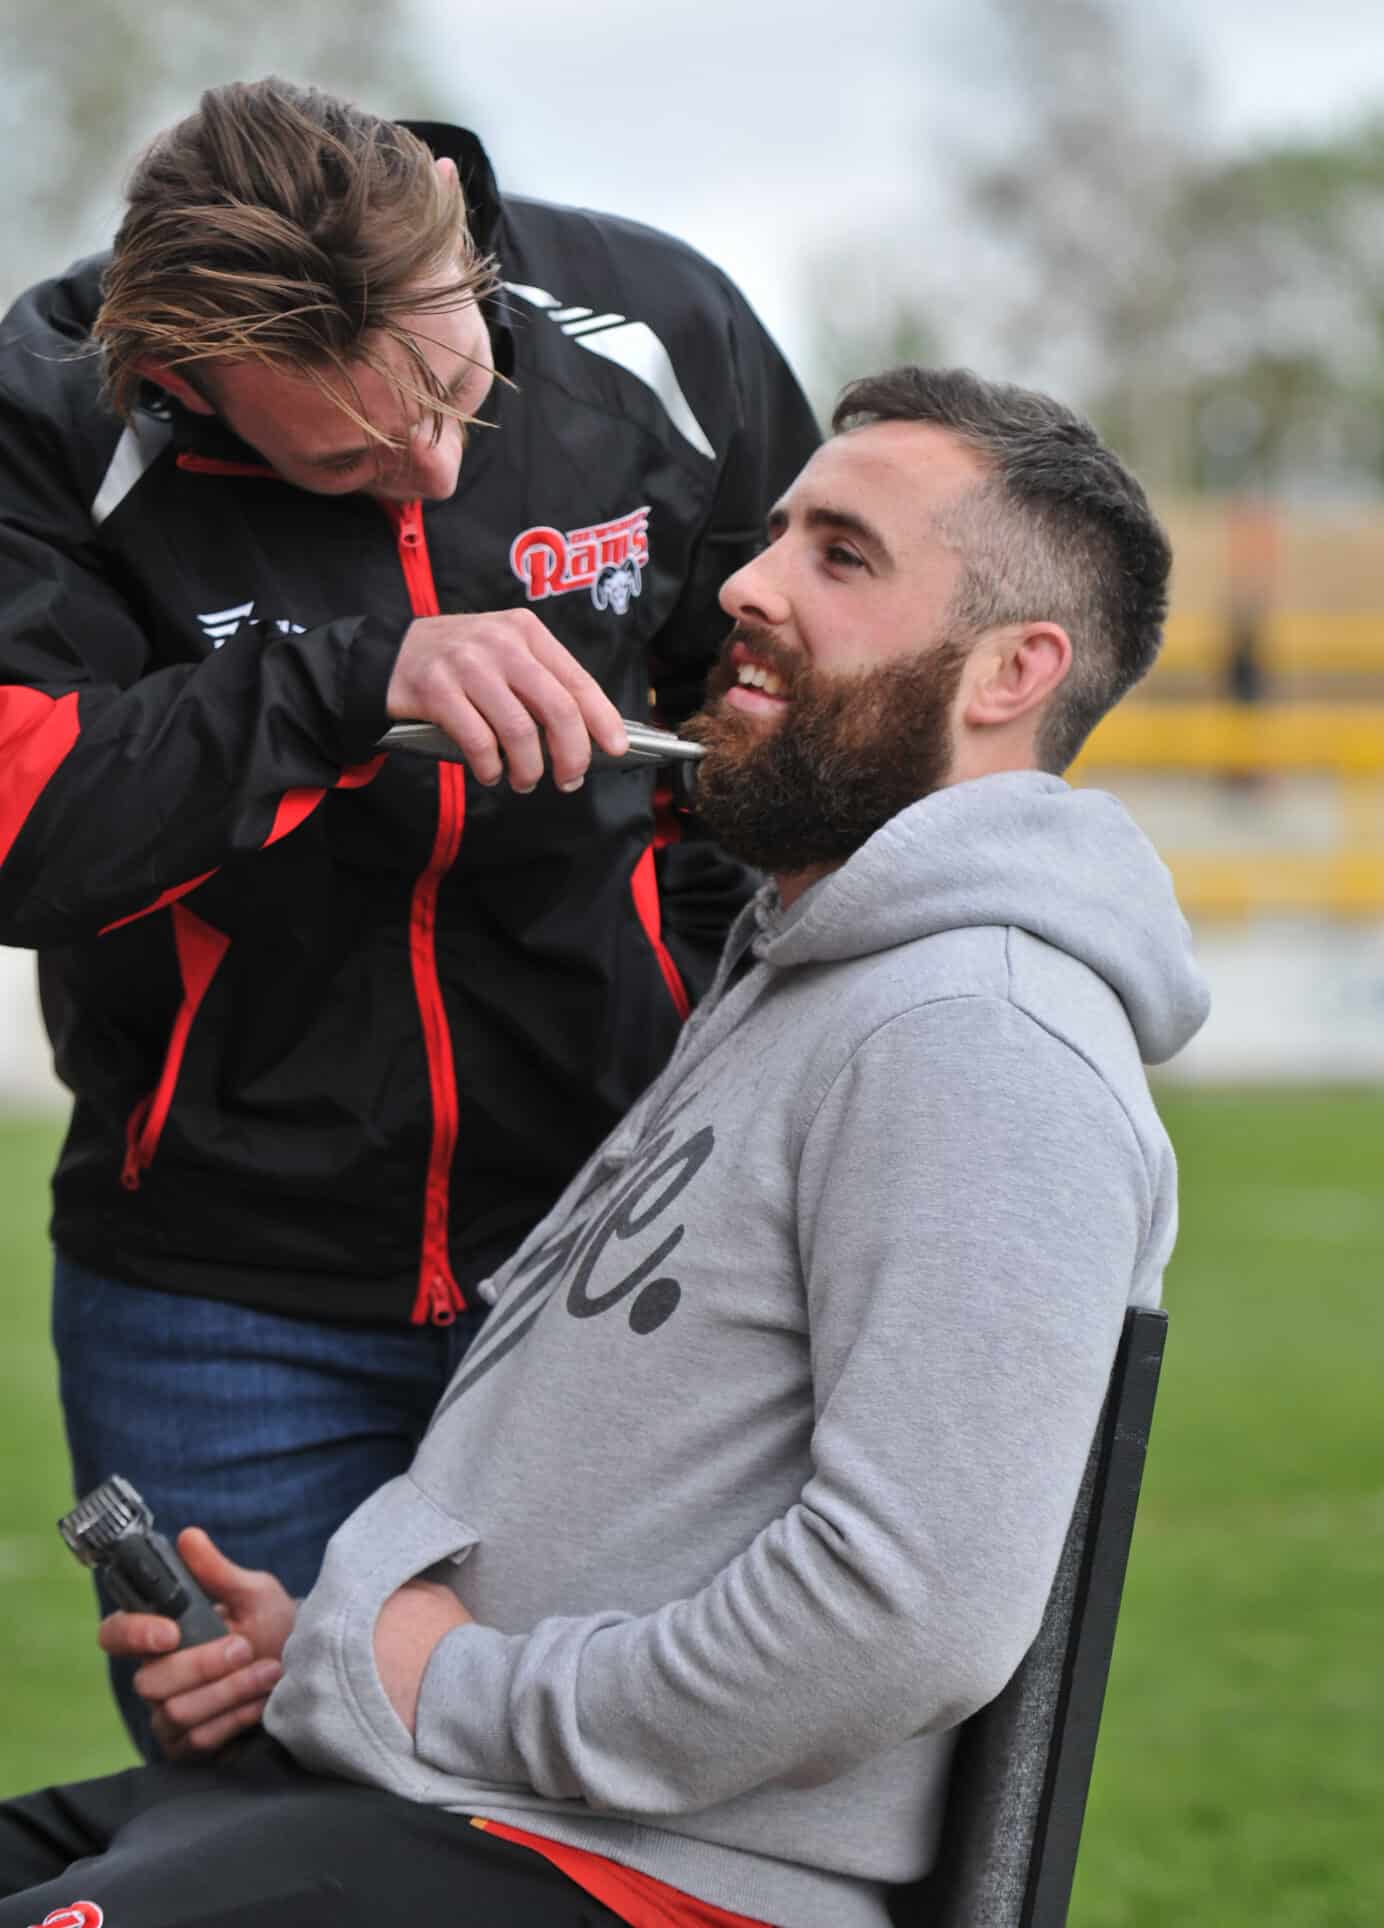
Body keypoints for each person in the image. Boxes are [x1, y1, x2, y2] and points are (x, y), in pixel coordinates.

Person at [0, 365, 1209, 1927]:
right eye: (775, 537)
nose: (750, 588)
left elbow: (907, 1615)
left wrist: (451, 1697)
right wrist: (330, 1651)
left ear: (1010, 671)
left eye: (840, 558)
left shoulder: (979, 1032)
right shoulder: (807, 972)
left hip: (637, 1876)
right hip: (455, 1803)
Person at [0, 79, 820, 1745]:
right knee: (261, 1824)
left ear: (464, 245)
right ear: (180, 377)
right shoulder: (43, 416)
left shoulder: (663, 326)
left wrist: (708, 1031)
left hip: (621, 1268)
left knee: (604, 1811)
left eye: (456, 392)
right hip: (220, 1296)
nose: (435, 461)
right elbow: (27, 829)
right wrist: (350, 682)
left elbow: (793, 719)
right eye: (350, 458)